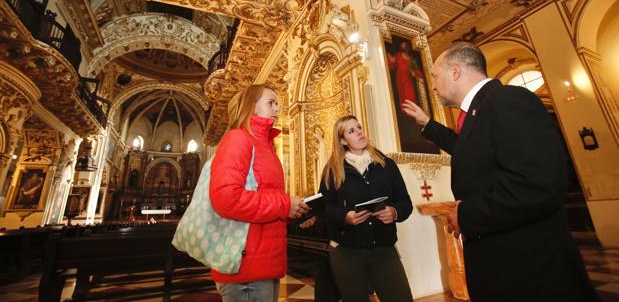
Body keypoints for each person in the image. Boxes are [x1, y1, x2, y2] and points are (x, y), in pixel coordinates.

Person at [402, 42, 599, 302]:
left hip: (531, 273)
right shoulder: (481, 111)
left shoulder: (510, 100)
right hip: (506, 269)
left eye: (436, 77)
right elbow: (469, 147)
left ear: (456, 71)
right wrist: (427, 124)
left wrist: (466, 214)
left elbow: (537, 183)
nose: (434, 85)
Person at [209, 83, 312, 302]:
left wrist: (294, 213)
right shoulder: (239, 138)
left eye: (277, 103)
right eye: (271, 103)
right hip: (245, 266)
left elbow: (263, 198)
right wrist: (285, 204)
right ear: (251, 107)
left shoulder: (265, 146)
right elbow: (225, 198)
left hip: (264, 260)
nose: (277, 109)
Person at [319, 115, 414, 302]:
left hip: (384, 250)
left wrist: (394, 212)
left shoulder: (386, 164)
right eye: (351, 131)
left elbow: (405, 202)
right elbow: (324, 207)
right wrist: (344, 216)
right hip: (347, 253)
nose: (359, 132)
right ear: (343, 140)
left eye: (359, 127)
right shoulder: (332, 169)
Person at [388, 41, 425, 108]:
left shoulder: (411, 59)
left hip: (408, 80)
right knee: (403, 95)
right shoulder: (398, 55)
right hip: (400, 79)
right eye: (402, 46)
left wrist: (414, 73)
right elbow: (392, 64)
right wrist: (390, 58)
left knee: (410, 95)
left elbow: (416, 70)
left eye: (404, 46)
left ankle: (412, 109)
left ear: (408, 48)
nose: (403, 48)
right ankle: (406, 110)